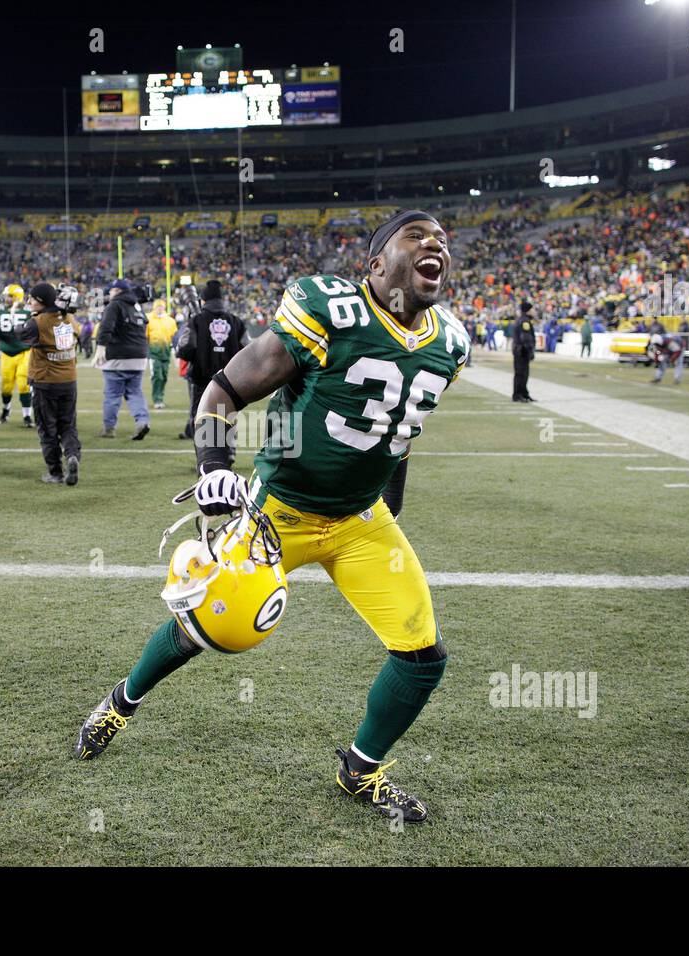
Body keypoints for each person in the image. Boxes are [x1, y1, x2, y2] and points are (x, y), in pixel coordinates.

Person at [74, 210, 470, 823]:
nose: (434, 245)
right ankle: (123, 700)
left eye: (442, 239)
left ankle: (360, 770)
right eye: (416, 236)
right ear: (374, 265)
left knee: (423, 655)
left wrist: (392, 501)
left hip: (360, 521)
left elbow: (400, 430)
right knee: (206, 628)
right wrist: (213, 469)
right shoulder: (331, 310)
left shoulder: (450, 342)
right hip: (278, 510)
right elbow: (222, 393)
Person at [23, 282, 82, 485]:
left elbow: (19, 335)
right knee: (68, 425)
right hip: (69, 380)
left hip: (45, 382)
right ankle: (72, 455)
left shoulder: (37, 322)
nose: (29, 302)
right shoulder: (70, 319)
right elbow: (78, 332)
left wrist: (29, 318)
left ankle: (55, 472)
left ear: (41, 301)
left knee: (47, 428)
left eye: (32, 298)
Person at [175, 279, 249, 441]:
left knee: (200, 413)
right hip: (229, 377)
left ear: (204, 300)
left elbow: (185, 348)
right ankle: (228, 449)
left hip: (200, 377)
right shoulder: (236, 321)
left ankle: (206, 456)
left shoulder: (197, 320)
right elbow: (248, 349)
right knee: (226, 411)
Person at [96, 279, 150, 440]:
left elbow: (106, 327)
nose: (109, 293)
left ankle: (109, 428)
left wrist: (101, 347)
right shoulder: (137, 306)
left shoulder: (115, 305)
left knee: (112, 395)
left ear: (117, 291)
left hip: (118, 357)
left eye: (111, 290)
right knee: (135, 393)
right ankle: (142, 421)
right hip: (139, 356)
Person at [0, 283, 34, 427]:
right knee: (6, 385)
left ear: (16, 296)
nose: (6, 298)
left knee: (23, 384)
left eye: (9, 296)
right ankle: (5, 410)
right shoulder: (0, 310)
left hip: (24, 351)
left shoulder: (28, 310)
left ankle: (27, 416)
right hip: (6, 352)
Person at [146, 297, 177, 409]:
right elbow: (146, 336)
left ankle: (161, 397)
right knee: (157, 376)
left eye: (161, 307)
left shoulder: (170, 321)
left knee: (164, 376)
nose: (159, 309)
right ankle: (157, 399)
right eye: (157, 307)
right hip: (154, 353)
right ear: (154, 308)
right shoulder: (148, 319)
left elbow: (173, 337)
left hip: (166, 353)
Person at [512, 302, 536, 402]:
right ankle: (518, 394)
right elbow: (525, 338)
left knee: (523, 373)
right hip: (522, 351)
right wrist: (529, 351)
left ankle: (524, 393)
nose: (534, 311)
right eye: (532, 309)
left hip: (520, 350)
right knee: (521, 374)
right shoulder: (524, 321)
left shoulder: (522, 320)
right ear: (528, 310)